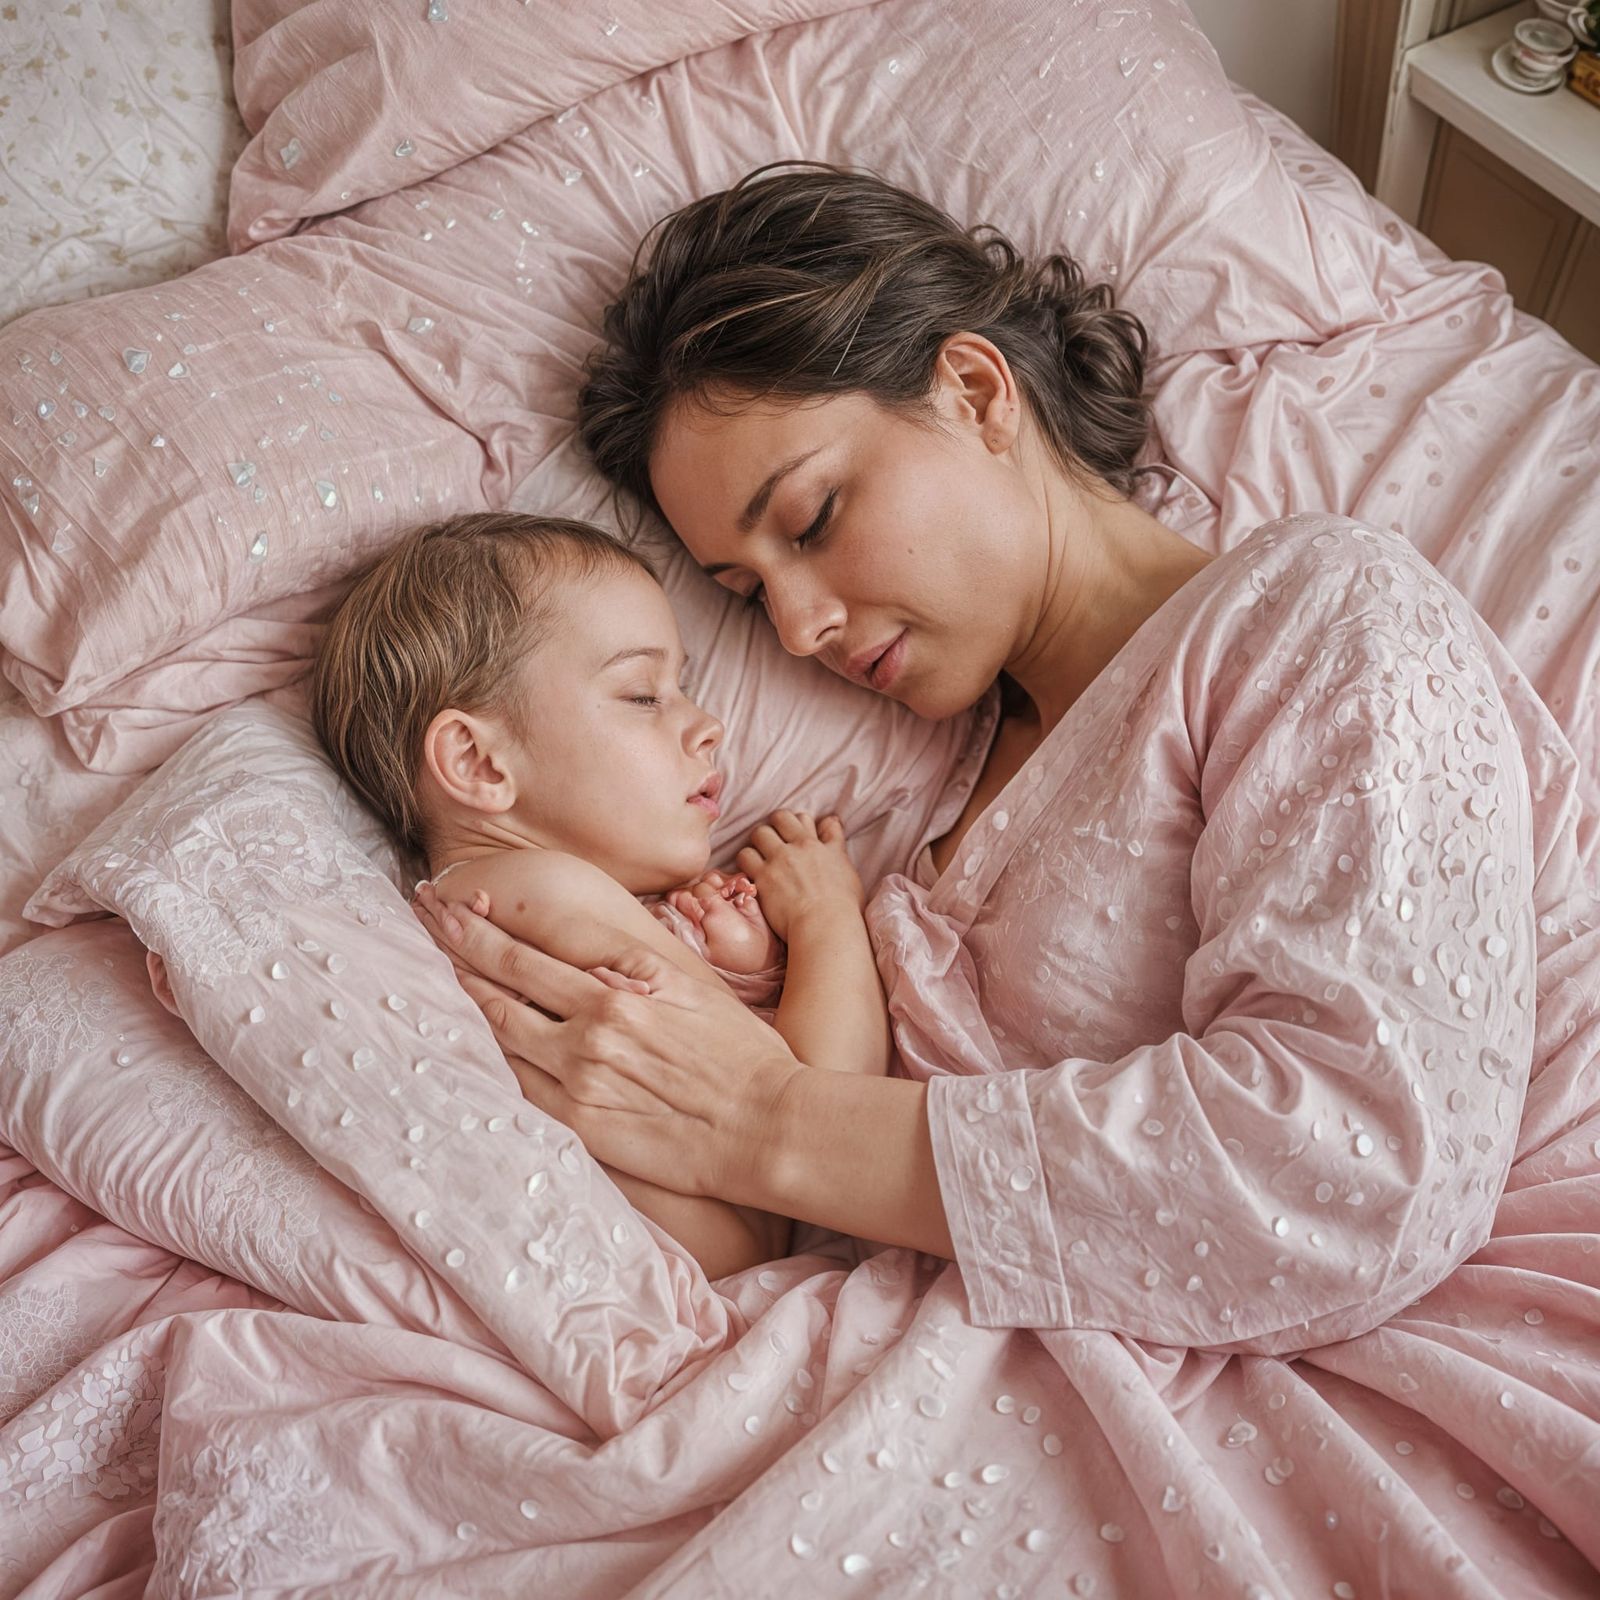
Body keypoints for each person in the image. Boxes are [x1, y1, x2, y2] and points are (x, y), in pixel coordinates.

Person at [408, 162, 1539, 1341]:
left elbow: (1349, 1166)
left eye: (811, 521)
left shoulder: (1316, 615)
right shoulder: (917, 788)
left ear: (973, 391)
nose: (797, 630)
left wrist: (763, 1120)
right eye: (748, 595)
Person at [302, 510, 895, 1282]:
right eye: (644, 695)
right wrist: (825, 917)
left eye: (683, 688)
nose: (709, 726)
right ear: (479, 762)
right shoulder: (541, 891)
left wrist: (735, 963)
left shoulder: (502, 905)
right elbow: (827, 1105)